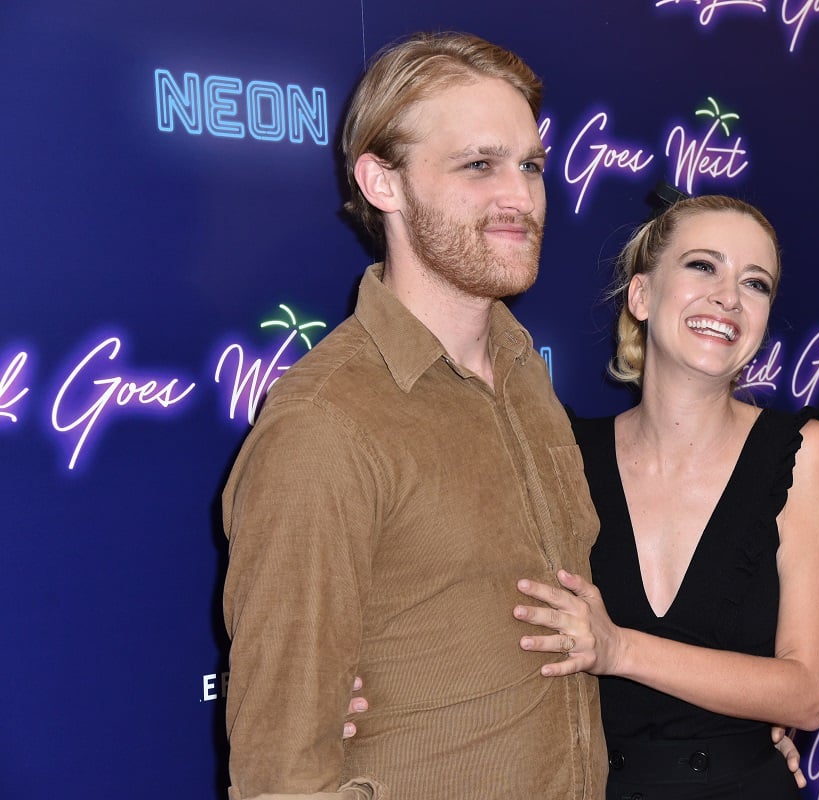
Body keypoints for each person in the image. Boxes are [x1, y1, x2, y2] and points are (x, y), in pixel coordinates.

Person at [221, 32, 605, 800]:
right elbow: (281, 773)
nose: (521, 198)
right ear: (382, 183)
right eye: (478, 165)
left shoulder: (527, 376)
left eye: (530, 166)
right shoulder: (326, 424)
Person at [513, 194, 819, 798]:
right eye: (702, 266)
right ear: (640, 296)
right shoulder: (565, 454)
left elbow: (807, 694)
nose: (729, 296)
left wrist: (618, 649)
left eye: (756, 282)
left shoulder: (802, 451)